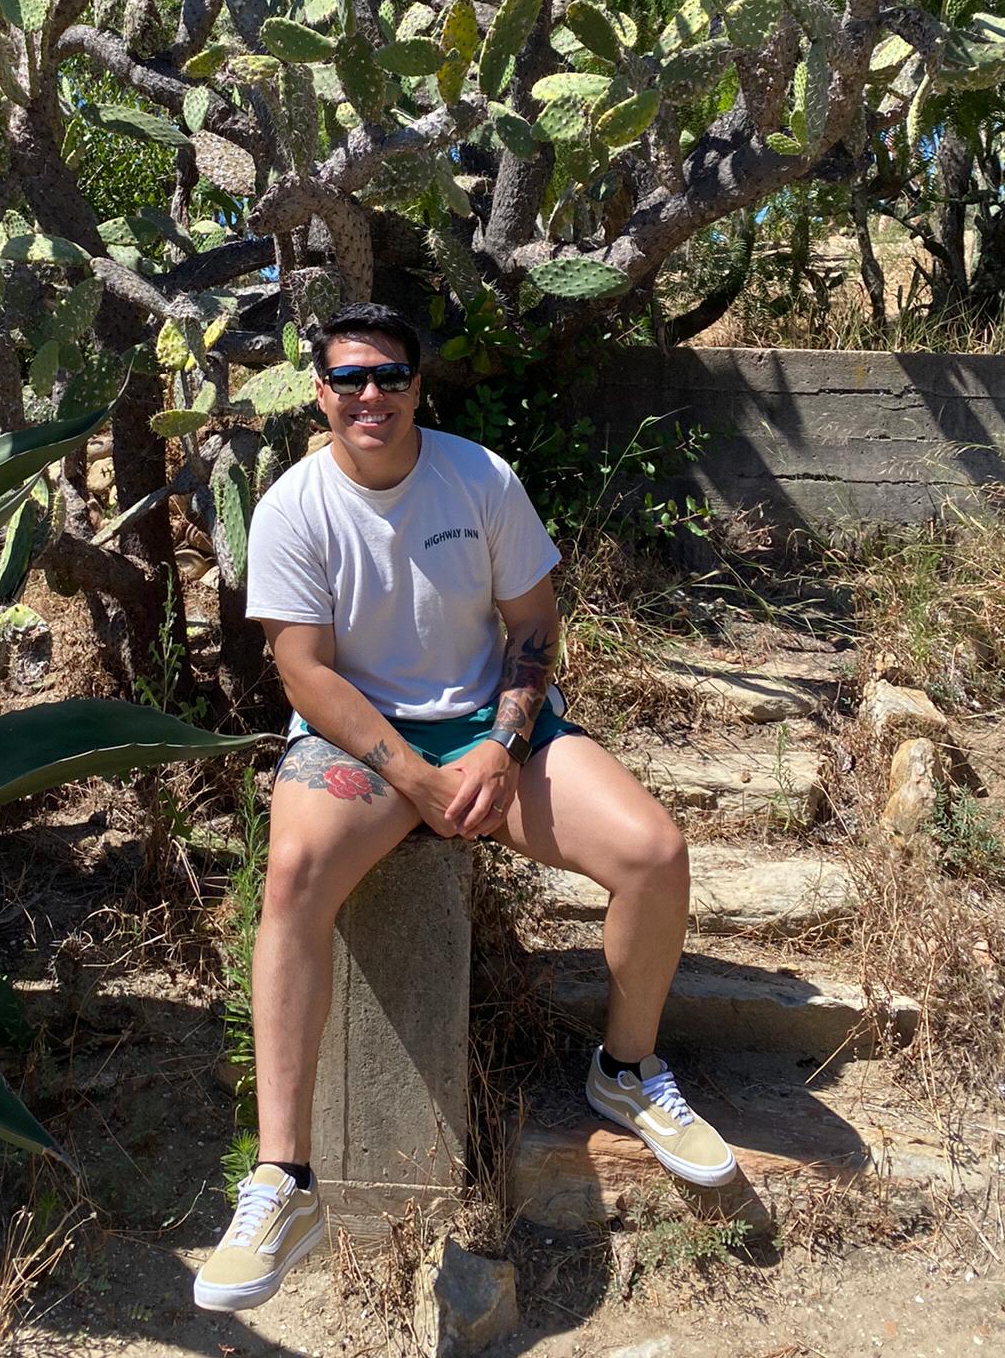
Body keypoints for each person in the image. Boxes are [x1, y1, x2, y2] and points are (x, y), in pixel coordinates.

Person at [192, 302, 737, 1315]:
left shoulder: (478, 477)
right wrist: (412, 773)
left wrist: (501, 740)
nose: (371, 395)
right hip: (363, 737)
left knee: (655, 850)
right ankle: (283, 1179)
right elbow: (306, 674)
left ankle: (625, 1067)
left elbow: (533, 621)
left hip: (490, 730)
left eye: (390, 376)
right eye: (349, 378)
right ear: (318, 390)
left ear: (416, 385)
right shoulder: (291, 506)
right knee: (294, 875)